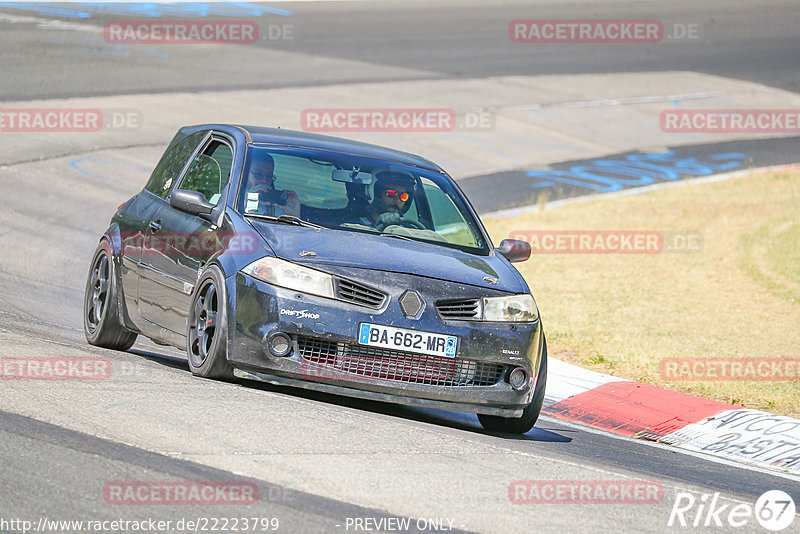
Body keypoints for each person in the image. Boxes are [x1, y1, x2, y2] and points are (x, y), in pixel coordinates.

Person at [347, 170, 416, 230]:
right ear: (376, 194)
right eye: (391, 193)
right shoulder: (353, 227)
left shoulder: (409, 232)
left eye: (403, 196)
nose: (397, 200)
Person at [243, 153, 301, 217]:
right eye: (258, 174)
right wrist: (249, 201)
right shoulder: (234, 198)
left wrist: (294, 216)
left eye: (269, 176)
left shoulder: (277, 206)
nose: (264, 181)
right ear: (245, 174)